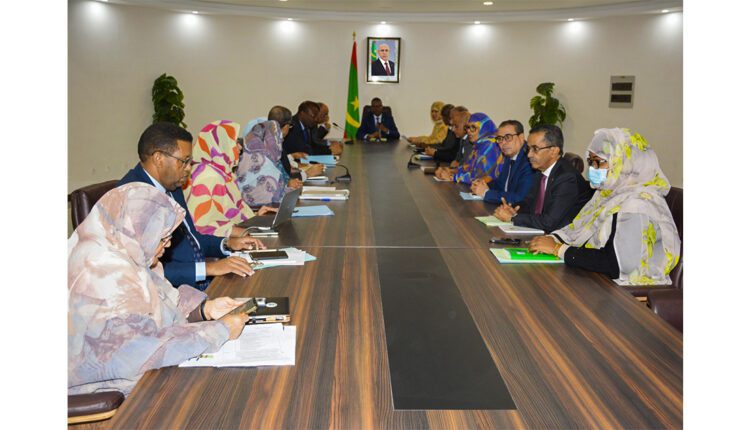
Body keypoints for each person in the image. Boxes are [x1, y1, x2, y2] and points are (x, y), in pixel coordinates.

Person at [68, 183, 250, 396]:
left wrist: (206, 309)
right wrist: (219, 331)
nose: (168, 244)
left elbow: (164, 298)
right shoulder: (105, 272)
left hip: (146, 372)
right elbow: (141, 352)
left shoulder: (128, 248)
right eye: (163, 237)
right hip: (113, 392)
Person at [119, 122, 263, 290]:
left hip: (194, 280)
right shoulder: (134, 197)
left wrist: (227, 244)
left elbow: (192, 238)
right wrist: (209, 268)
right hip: (170, 292)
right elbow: (143, 270)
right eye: (184, 161)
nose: (188, 169)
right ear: (158, 158)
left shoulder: (171, 186)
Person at [529, 128, 681, 285]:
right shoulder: (606, 194)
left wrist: (558, 249)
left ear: (624, 163)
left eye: (599, 162)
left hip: (626, 291)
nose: (593, 169)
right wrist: (552, 239)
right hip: (599, 280)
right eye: (591, 162)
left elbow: (616, 264)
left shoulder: (638, 205)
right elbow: (579, 229)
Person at [493, 124, 592, 232]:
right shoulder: (540, 171)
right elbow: (529, 202)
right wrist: (512, 209)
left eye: (535, 149)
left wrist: (513, 218)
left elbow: (549, 222)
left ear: (553, 151)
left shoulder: (567, 178)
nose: (529, 154)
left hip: (564, 235)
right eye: (528, 149)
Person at [184, 120, 275, 237]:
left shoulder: (222, 172)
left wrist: (254, 217)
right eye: (234, 142)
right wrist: (245, 232)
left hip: (237, 233)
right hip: (223, 242)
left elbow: (227, 212)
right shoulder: (208, 177)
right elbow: (202, 227)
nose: (240, 147)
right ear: (221, 146)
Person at [237, 119, 301, 206]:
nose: (279, 143)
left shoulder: (246, 157)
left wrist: (289, 188)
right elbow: (268, 197)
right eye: (277, 139)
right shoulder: (264, 163)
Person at [470, 120, 534, 204]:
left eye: (508, 137)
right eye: (500, 139)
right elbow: (500, 184)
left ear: (521, 137)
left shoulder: (530, 160)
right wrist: (482, 185)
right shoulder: (508, 156)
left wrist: (485, 193)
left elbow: (520, 198)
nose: (503, 143)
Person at [436, 112, 500, 184]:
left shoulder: (490, 145)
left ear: (484, 127)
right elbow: (468, 167)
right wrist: (451, 171)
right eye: (468, 127)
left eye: (473, 127)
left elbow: (480, 178)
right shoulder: (478, 145)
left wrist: (452, 177)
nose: (468, 131)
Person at [281, 102, 326, 179]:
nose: (316, 119)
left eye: (317, 116)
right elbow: (304, 149)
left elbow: (313, 144)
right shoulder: (292, 126)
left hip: (296, 165)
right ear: (302, 114)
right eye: (313, 116)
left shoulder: (307, 125)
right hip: (292, 173)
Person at [434, 106, 470, 178]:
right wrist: (449, 170)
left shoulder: (470, 142)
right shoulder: (462, 139)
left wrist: (452, 173)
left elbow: (467, 166)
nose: (452, 129)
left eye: (456, 126)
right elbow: (455, 161)